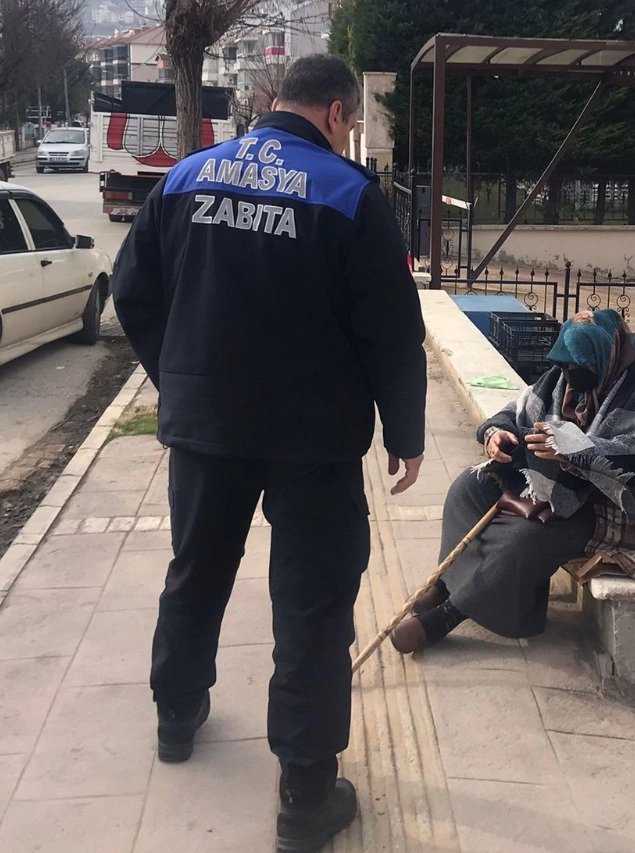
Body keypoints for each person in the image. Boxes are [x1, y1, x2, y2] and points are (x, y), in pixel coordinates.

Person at [111, 55, 426, 853]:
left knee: (197, 568)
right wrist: (407, 434)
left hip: (207, 427)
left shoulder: (187, 178)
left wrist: (179, 379)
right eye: (350, 124)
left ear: (278, 101)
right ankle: (306, 793)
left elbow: (133, 290)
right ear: (335, 114)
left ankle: (176, 713)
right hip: (313, 440)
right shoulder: (349, 195)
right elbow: (392, 330)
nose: (347, 136)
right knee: (313, 604)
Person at [390, 309, 635, 654]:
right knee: (466, 490)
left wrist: (573, 450)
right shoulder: (559, 379)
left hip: (603, 507)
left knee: (522, 539)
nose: (569, 373)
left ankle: (448, 615)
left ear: (605, 358)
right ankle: (448, 582)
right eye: (565, 365)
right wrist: (497, 433)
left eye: (578, 366)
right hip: (548, 485)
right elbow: (515, 410)